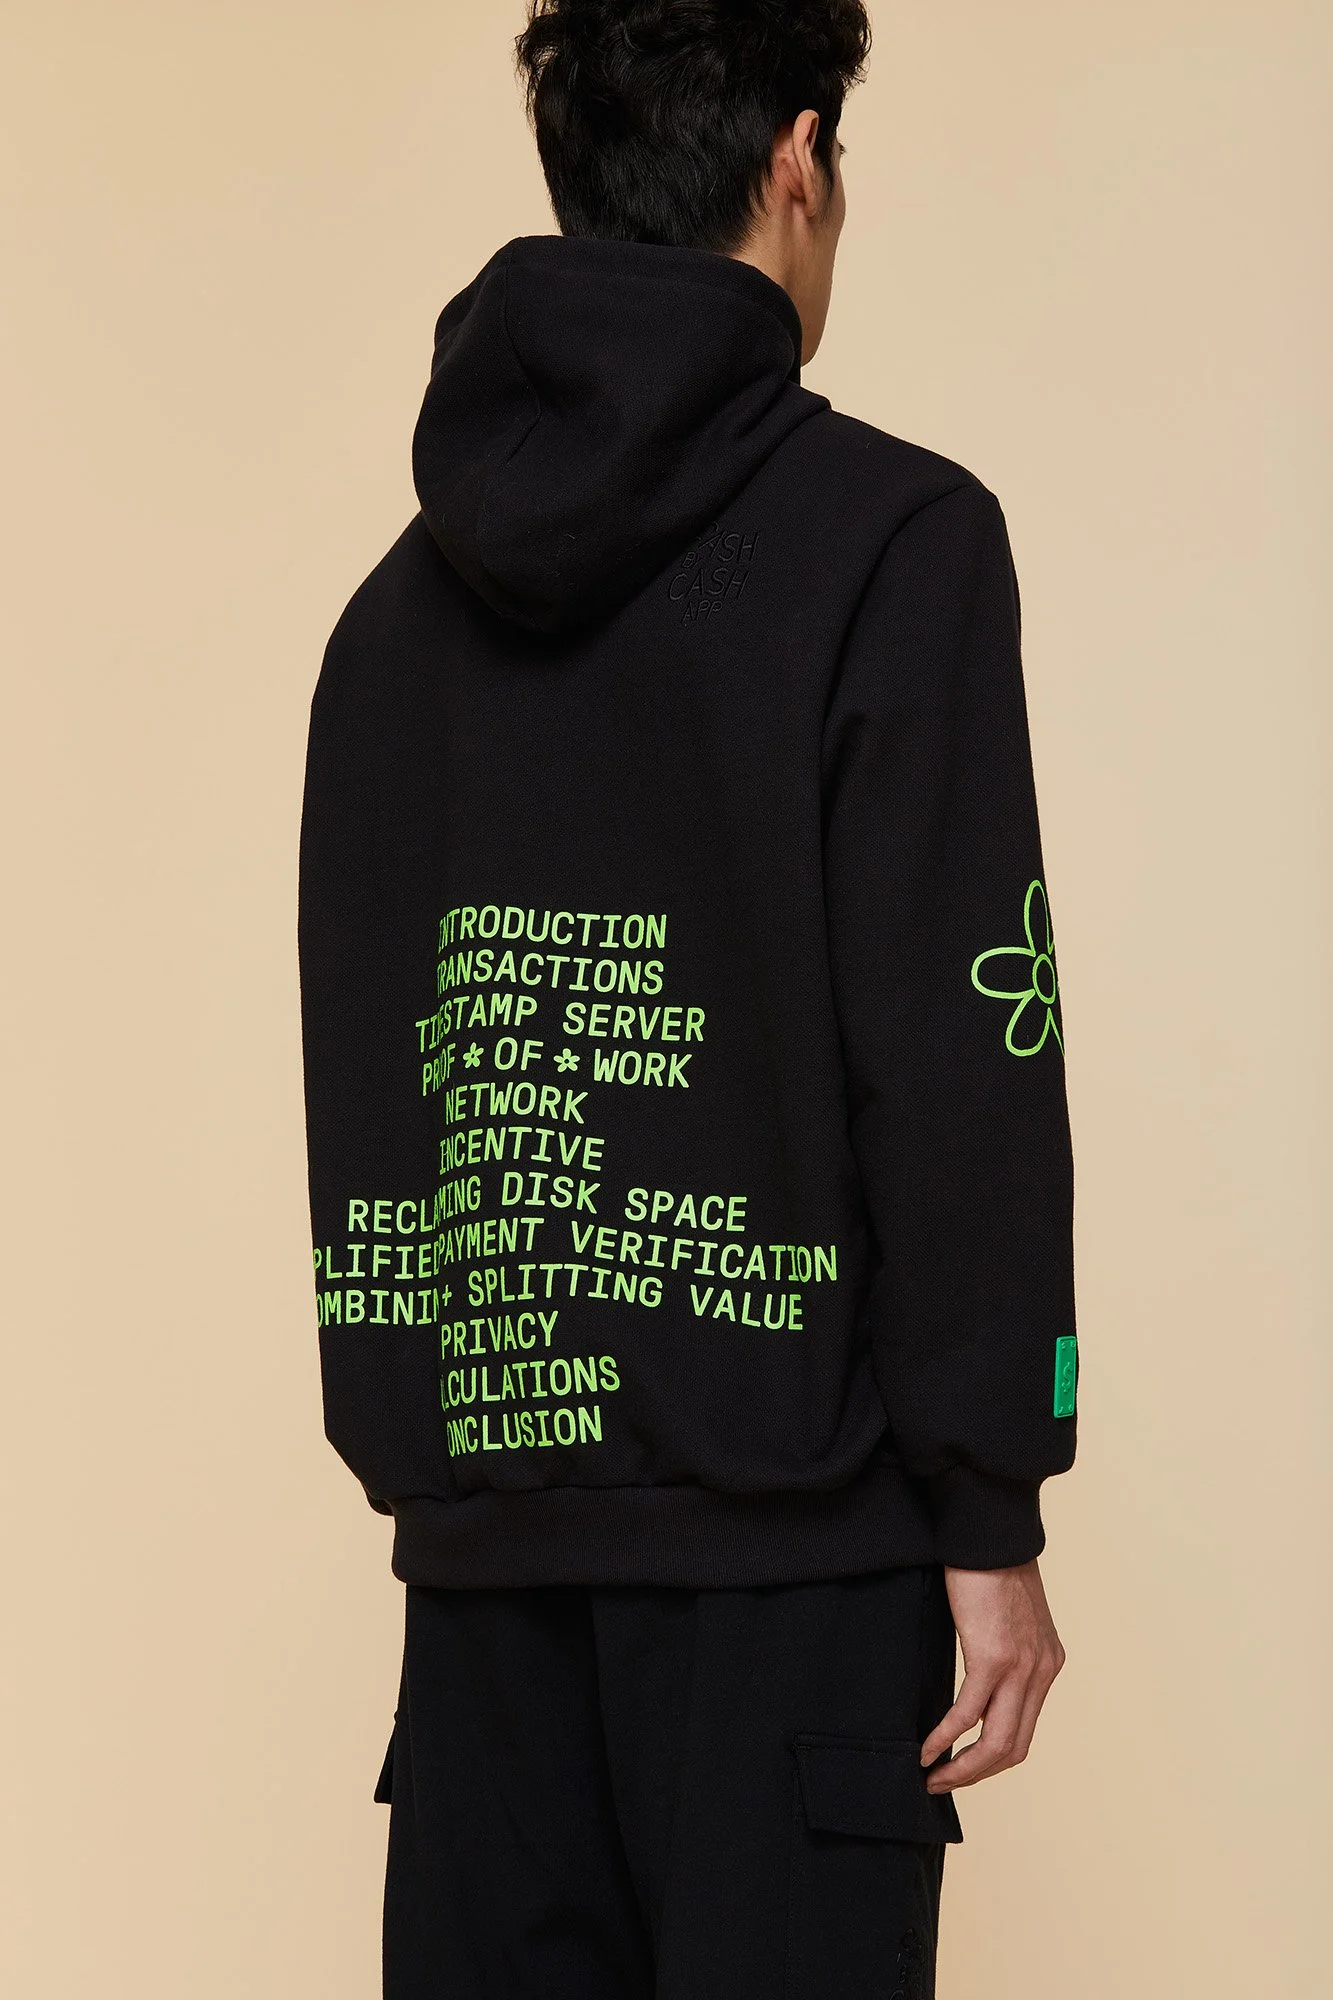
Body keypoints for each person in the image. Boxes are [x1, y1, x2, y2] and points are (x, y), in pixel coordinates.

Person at [297, 3, 1079, 1994]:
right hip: (796, 1574)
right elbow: (952, 1047)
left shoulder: (391, 619)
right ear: (798, 159)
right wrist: (990, 1499)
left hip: (480, 1600)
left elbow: (373, 1070)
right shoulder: (897, 543)